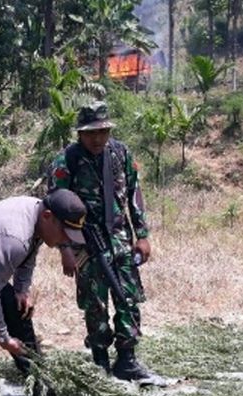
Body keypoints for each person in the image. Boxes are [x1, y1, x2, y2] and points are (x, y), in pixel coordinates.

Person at [46, 101, 153, 381]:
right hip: (86, 245)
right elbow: (54, 210)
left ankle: (127, 359)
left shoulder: (120, 153)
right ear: (79, 133)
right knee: (95, 305)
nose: (97, 138)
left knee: (128, 298)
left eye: (103, 131)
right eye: (91, 132)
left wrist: (142, 235)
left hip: (120, 240)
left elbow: (134, 193)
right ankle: (100, 362)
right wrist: (65, 250)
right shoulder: (66, 161)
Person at [0, 189, 87, 373]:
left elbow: (29, 253)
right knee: (0, 304)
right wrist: (3, 338)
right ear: (48, 217)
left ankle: (37, 375)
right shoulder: (15, 237)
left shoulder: (37, 214)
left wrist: (22, 290)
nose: (66, 240)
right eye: (64, 233)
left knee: (17, 305)